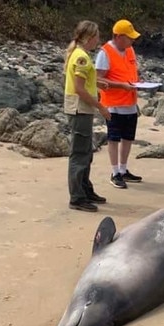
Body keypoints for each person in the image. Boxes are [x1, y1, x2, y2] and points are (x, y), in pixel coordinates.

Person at [63, 20, 112, 212]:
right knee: (80, 153)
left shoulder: (78, 54)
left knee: (85, 151)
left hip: (80, 108)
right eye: (97, 37)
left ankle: (85, 189)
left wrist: (97, 83)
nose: (98, 41)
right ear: (89, 38)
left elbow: (81, 82)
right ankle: (77, 197)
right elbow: (79, 88)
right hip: (80, 108)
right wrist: (101, 107)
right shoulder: (81, 57)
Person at [95, 19, 143, 189]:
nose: (132, 41)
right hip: (113, 104)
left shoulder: (130, 50)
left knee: (128, 137)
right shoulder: (105, 52)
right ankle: (115, 172)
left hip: (129, 102)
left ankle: (123, 169)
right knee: (114, 138)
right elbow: (98, 79)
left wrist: (138, 82)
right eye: (129, 37)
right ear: (118, 36)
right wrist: (120, 85)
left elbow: (131, 72)